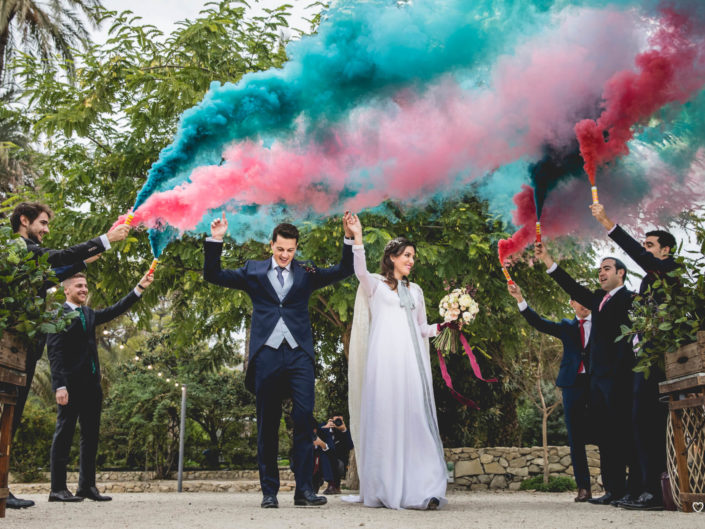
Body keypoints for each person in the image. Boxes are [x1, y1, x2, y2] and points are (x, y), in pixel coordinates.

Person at [203, 213, 355, 509]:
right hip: (267, 356)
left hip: (299, 355)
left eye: (291, 250)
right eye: (280, 249)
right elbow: (214, 274)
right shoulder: (254, 271)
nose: (285, 255)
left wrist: (349, 237)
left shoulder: (307, 272)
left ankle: (304, 491)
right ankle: (269, 492)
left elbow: (343, 270)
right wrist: (216, 239)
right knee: (267, 425)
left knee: (303, 421)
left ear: (296, 248)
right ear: (270, 245)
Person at [5, 201, 129, 509]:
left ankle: (1, 488)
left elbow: (50, 273)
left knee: (11, 420)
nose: (46, 229)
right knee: (6, 419)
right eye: (43, 223)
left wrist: (89, 257)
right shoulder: (18, 249)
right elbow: (56, 259)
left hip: (22, 351)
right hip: (9, 351)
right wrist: (105, 239)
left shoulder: (30, 260)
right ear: (24, 220)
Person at [345, 215, 446, 510]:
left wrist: (446, 325)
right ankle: (386, 488)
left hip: (410, 367)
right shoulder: (374, 285)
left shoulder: (416, 291)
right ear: (392, 258)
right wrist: (358, 237)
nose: (411, 260)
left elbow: (422, 329)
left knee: (414, 419)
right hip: (384, 365)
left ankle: (421, 488)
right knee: (386, 420)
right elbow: (359, 269)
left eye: (413, 256)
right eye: (407, 255)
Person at [535, 241, 639, 506]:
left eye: (607, 268)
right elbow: (571, 286)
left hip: (622, 380)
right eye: (600, 269)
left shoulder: (631, 300)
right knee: (606, 438)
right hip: (597, 383)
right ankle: (613, 490)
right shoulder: (597, 300)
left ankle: (635, 489)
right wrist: (548, 260)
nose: (601, 272)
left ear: (621, 273)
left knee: (625, 436)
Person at [591, 204, 679, 511]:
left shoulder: (669, 271)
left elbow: (639, 259)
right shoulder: (650, 280)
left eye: (651, 246)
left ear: (666, 251)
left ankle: (655, 493)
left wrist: (607, 222)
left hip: (656, 362)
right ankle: (641, 489)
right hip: (642, 362)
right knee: (639, 426)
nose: (645, 250)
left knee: (649, 427)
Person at [46, 269, 153, 502]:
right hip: (70, 386)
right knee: (64, 433)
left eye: (85, 285)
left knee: (90, 436)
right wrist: (60, 386)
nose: (83, 289)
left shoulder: (89, 313)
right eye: (78, 286)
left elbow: (115, 309)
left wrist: (139, 288)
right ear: (67, 290)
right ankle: (57, 488)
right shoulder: (58, 314)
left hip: (92, 387)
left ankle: (86, 486)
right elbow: (55, 352)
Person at [507, 282, 592, 502]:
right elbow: (539, 323)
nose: (583, 304)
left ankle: (615, 488)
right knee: (575, 437)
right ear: (572, 303)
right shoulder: (566, 326)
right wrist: (520, 298)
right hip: (572, 384)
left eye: (586, 299)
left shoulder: (602, 323)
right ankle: (583, 487)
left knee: (608, 432)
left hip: (598, 382)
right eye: (578, 300)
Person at [316, 415, 354, 494]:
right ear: (330, 420)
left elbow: (350, 446)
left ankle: (332, 485)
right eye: (335, 420)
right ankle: (330, 484)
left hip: (338, 462)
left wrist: (344, 430)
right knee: (324, 453)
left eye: (340, 420)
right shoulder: (323, 428)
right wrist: (326, 427)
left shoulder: (343, 432)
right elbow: (313, 436)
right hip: (322, 460)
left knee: (330, 456)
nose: (337, 422)